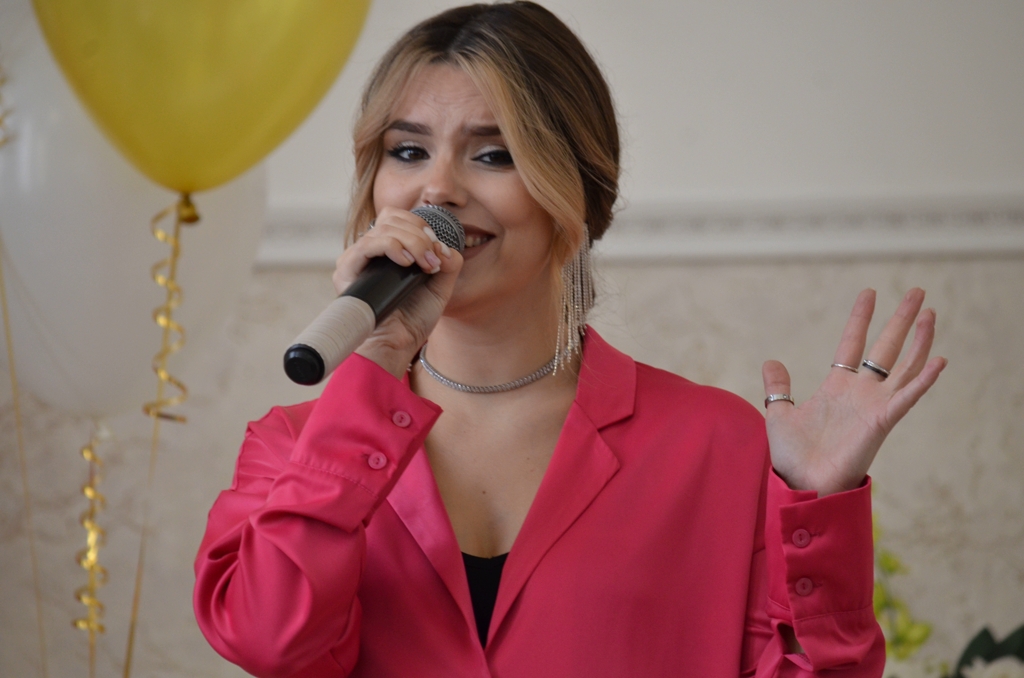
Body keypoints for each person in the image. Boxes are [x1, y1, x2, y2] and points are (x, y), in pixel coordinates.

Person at [193, 3, 946, 677]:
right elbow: (269, 640)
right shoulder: (294, 450)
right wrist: (378, 359)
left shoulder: (717, 444)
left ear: (576, 187)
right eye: (409, 151)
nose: (438, 190)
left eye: (493, 154)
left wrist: (819, 504)